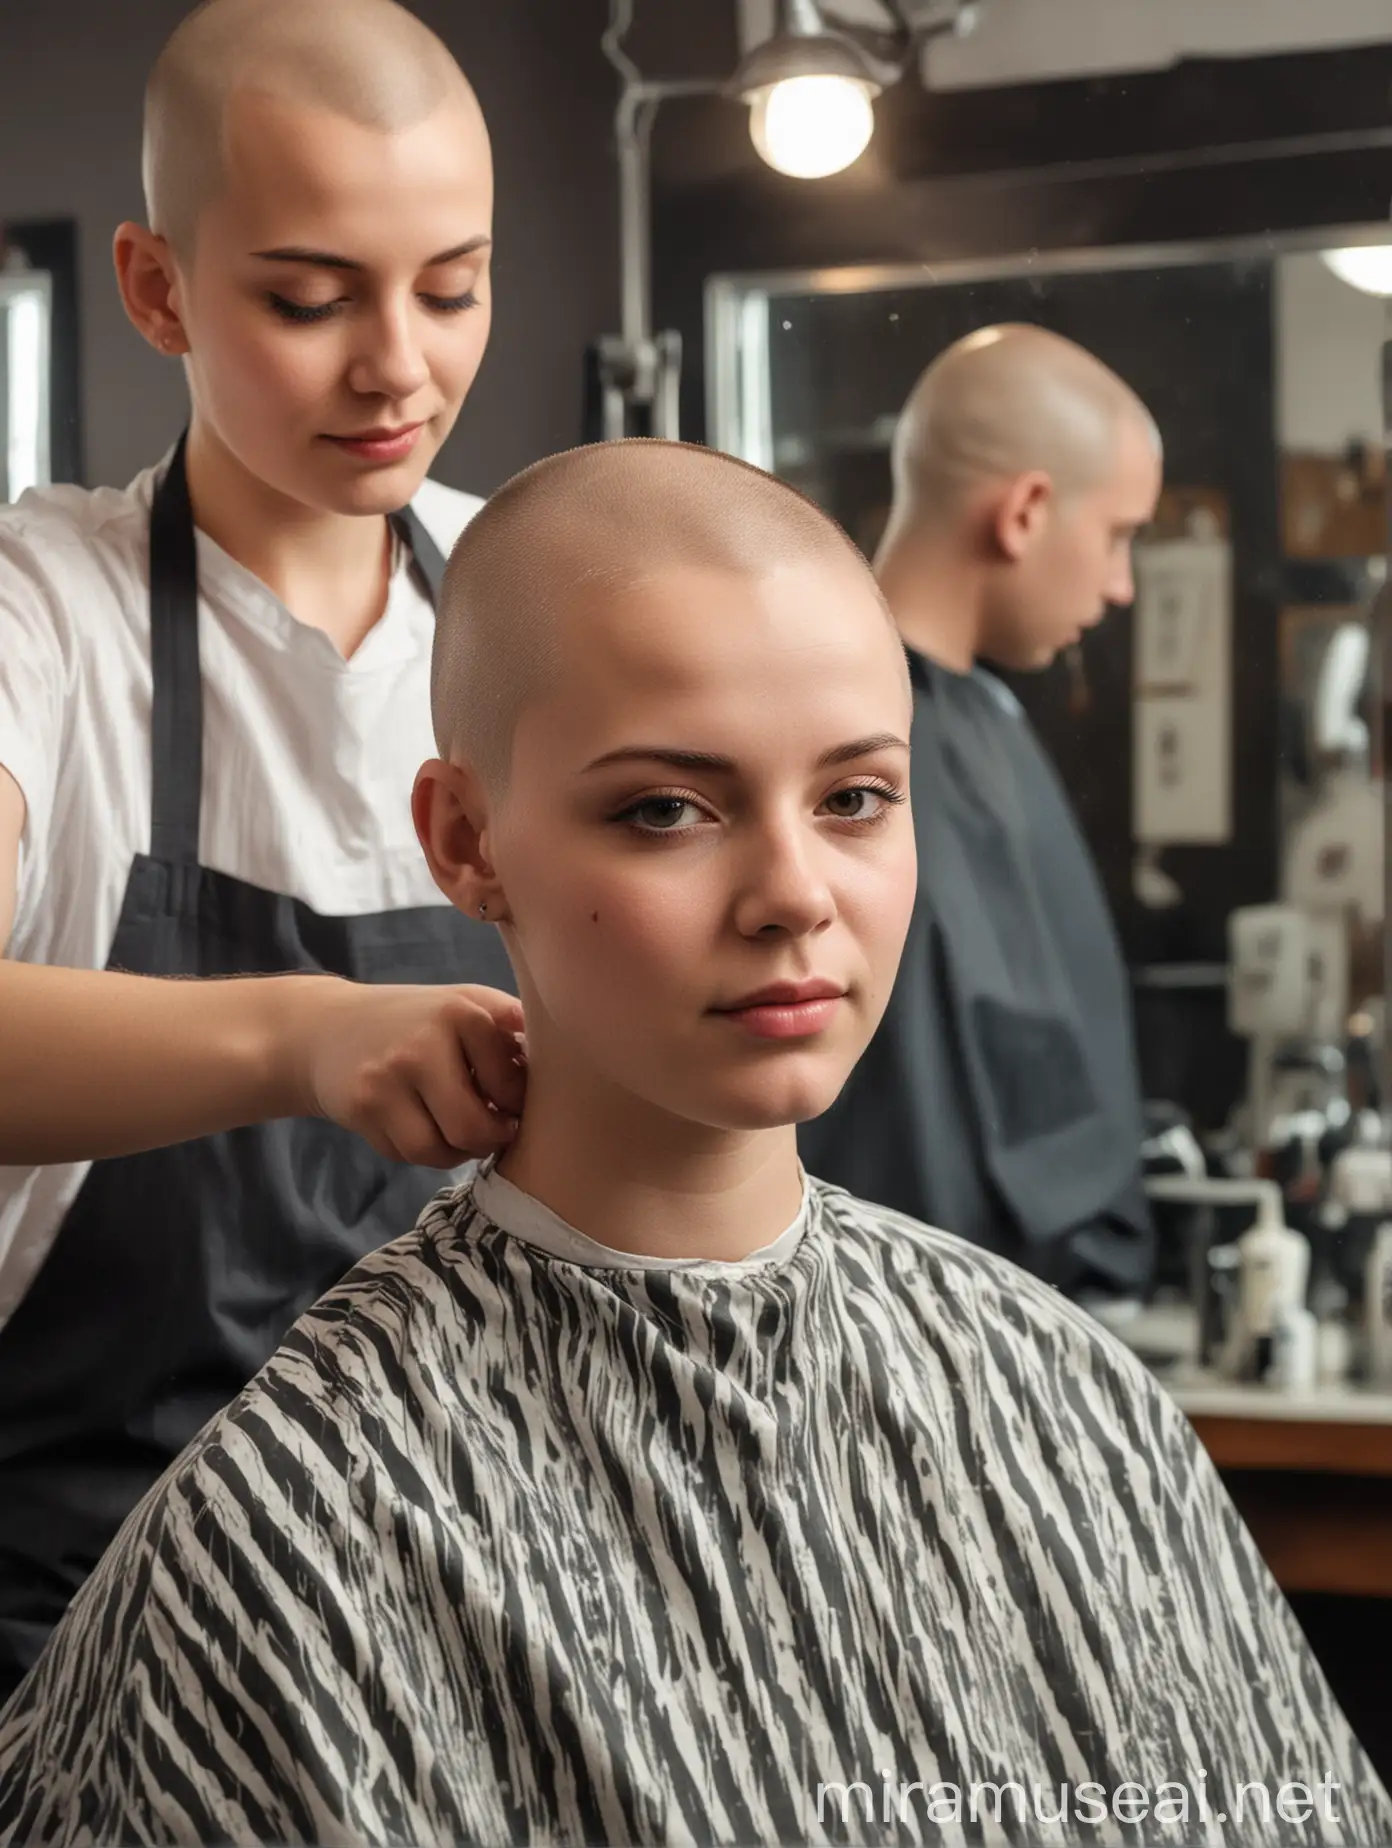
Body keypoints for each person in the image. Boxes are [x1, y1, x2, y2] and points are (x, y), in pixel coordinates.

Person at [2, 440, 1386, 1847]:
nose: (795, 894)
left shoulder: (1072, 1398)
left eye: (855, 798)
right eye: (667, 809)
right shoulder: (289, 1533)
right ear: (467, 842)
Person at [0, 0, 526, 1697]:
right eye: (311, 297)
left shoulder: (537, 595)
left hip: (479, 1604)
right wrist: (313, 1034)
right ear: (157, 289)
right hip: (87, 1633)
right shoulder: (45, 612)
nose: (400, 364)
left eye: (451, 285)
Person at [800, 324, 1162, 1301]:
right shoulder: (838, 726)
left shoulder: (984, 717)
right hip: (878, 1312)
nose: (1121, 583)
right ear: (1027, 511)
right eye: (1119, 535)